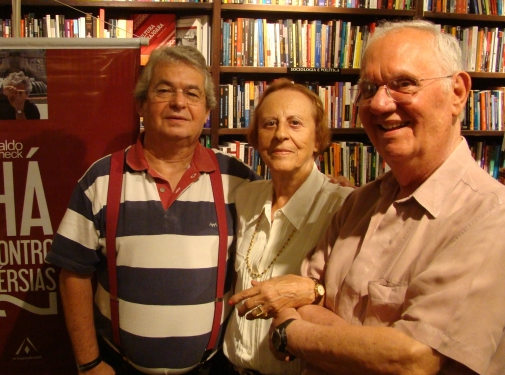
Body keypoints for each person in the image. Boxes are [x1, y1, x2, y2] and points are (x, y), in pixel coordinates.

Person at [231, 19, 505, 374]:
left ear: (457, 93)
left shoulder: (489, 217)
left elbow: (413, 358)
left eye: (403, 84)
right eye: (369, 88)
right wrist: (367, 346)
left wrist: (292, 335)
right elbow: (301, 297)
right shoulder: (357, 204)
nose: (378, 104)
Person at [46, 45, 260, 375]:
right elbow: (73, 273)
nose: (179, 102)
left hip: (212, 368)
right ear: (142, 104)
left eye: (192, 93)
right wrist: (89, 363)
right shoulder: (100, 180)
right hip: (119, 367)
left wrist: (331, 191)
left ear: (206, 110)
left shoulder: (241, 182)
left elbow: (289, 220)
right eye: (164, 90)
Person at [222, 79, 353, 375]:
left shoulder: (346, 207)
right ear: (256, 139)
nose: (281, 134)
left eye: (295, 123)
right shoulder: (245, 196)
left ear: (318, 139)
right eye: (270, 124)